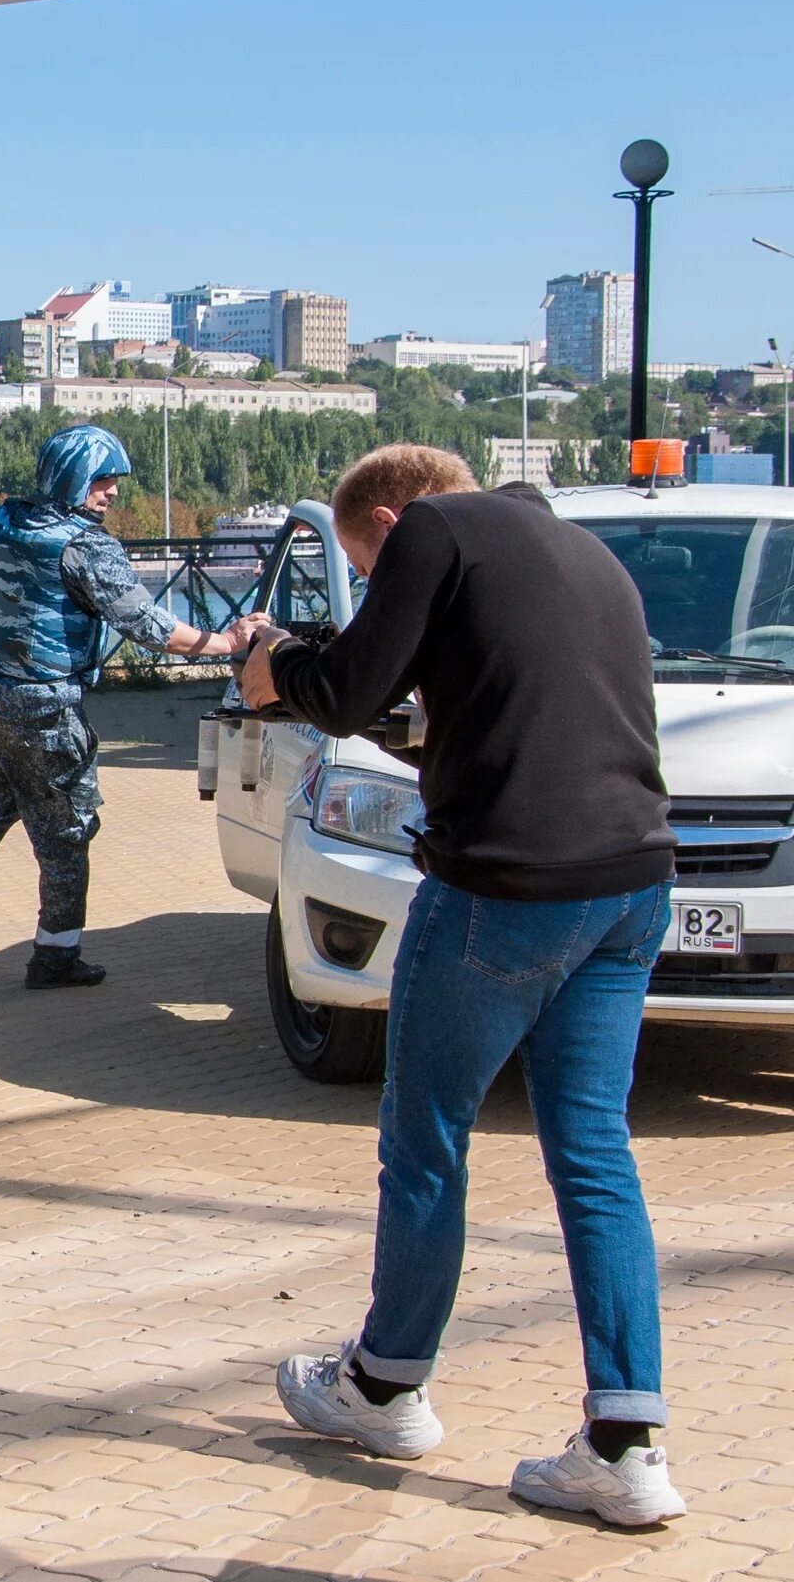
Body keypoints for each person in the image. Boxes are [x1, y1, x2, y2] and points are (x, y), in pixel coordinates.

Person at [245, 445, 684, 1527]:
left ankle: (385, 1385)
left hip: (503, 886)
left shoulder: (431, 534)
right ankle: (625, 1449)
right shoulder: (583, 551)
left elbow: (347, 693)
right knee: (591, 1152)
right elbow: (479, 701)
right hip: (630, 883)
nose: (381, 580)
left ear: (388, 525)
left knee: (427, 1135)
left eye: (366, 564)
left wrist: (277, 665)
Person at [0, 424, 264, 991]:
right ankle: (55, 958)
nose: (111, 493)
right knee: (67, 833)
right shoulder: (86, 546)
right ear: (73, 479)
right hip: (48, 710)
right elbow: (150, 627)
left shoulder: (1, 524)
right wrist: (228, 643)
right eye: (102, 481)